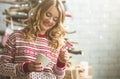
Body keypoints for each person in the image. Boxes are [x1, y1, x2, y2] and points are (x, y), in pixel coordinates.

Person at [0, 0, 71, 79]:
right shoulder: (16, 37)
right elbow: (2, 68)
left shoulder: (56, 43)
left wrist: (61, 62)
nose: (50, 20)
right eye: (48, 14)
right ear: (39, 11)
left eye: (55, 19)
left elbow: (58, 76)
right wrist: (26, 67)